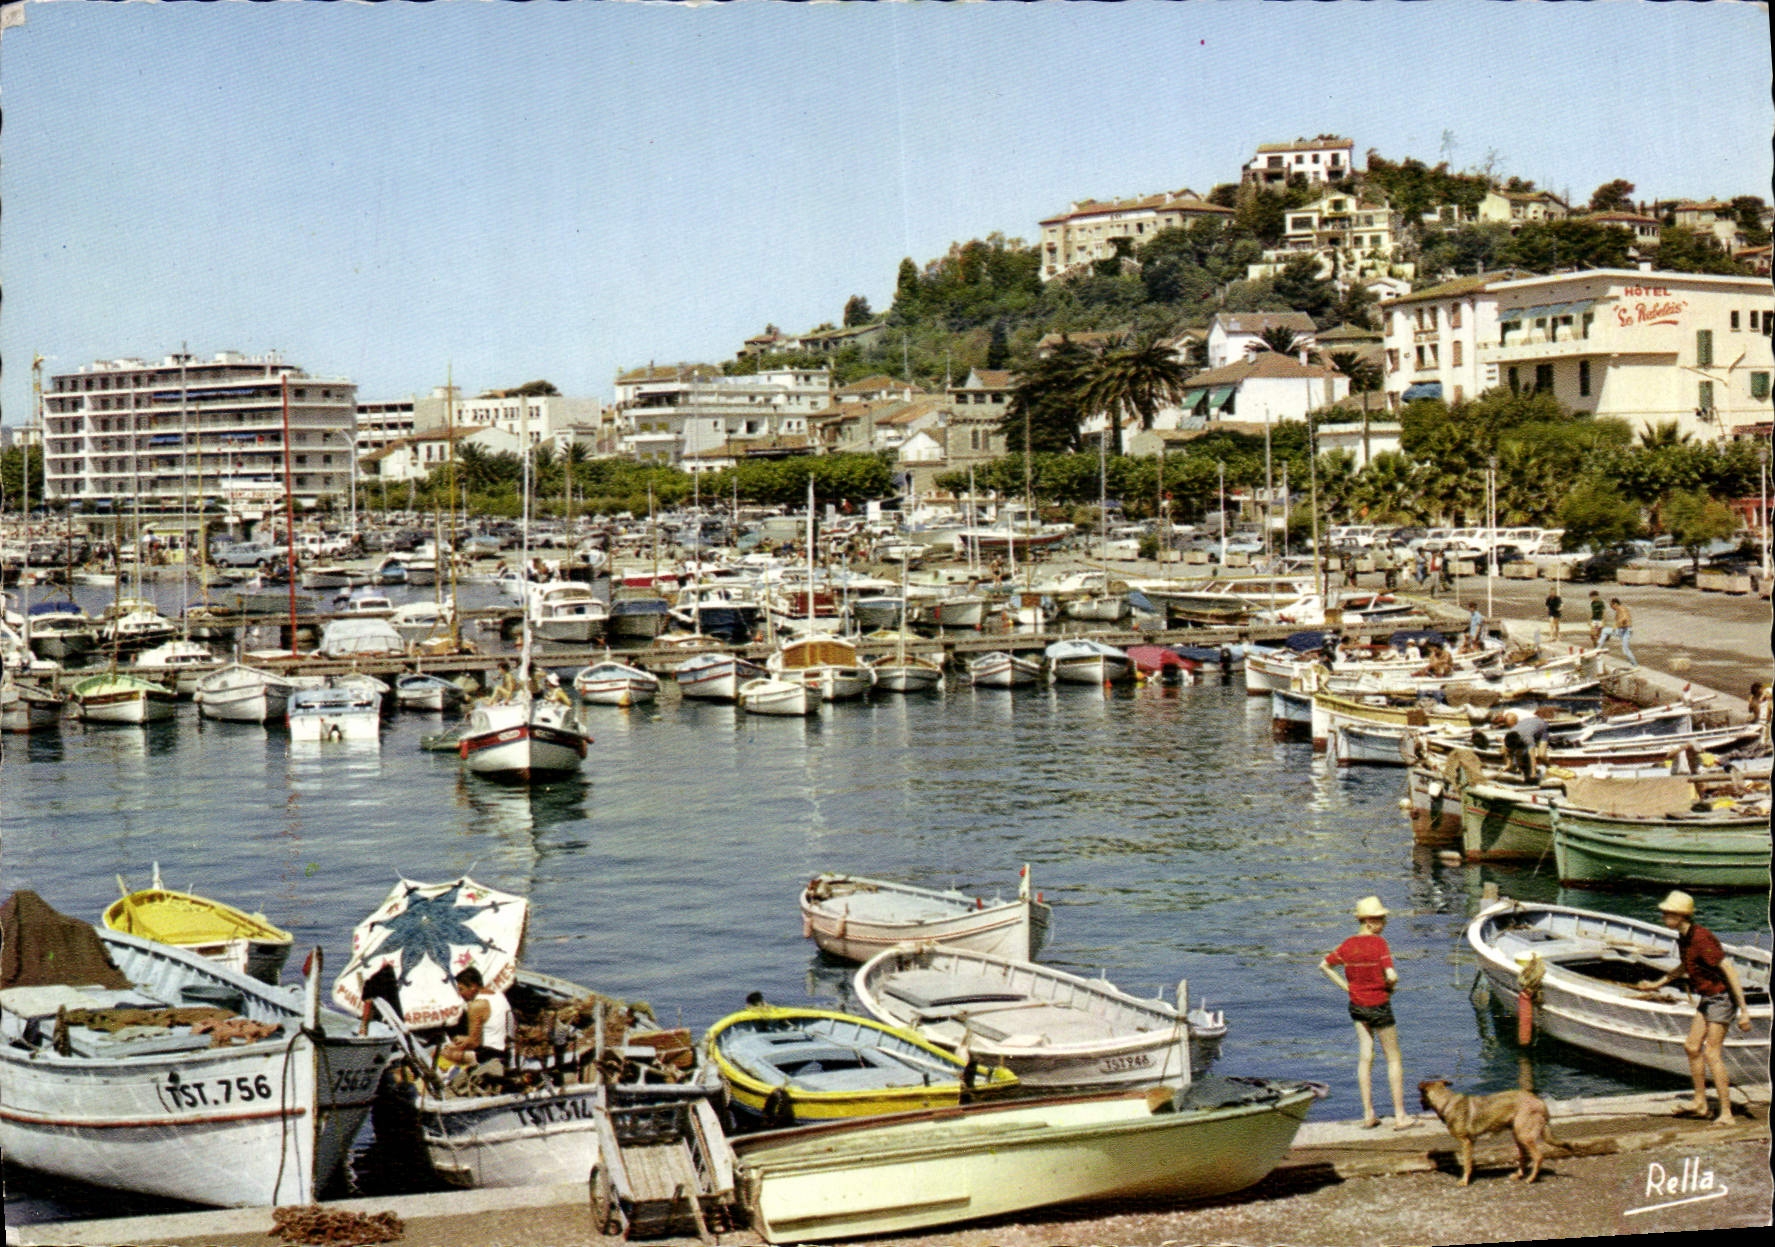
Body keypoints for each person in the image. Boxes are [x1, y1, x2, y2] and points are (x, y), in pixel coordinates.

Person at [1635, 892, 1754, 1125]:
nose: (1663, 916)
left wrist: (1744, 1010)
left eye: (1667, 912)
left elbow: (1728, 968)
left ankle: (1727, 1113)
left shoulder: (1701, 938)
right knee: (1691, 1046)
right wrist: (1657, 983)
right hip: (1707, 997)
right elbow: (1684, 965)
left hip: (1721, 998)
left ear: (1681, 915)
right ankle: (1700, 1103)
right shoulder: (1685, 938)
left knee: (1712, 1053)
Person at [1322, 897, 1408, 1130]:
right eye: (1381, 919)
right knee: (1393, 1058)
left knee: (1365, 1056)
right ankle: (1400, 1116)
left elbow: (1324, 966)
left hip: (1357, 1005)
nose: (1384, 923)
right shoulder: (1379, 944)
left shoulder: (1347, 945)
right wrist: (1390, 987)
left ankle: (1368, 1113)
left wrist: (1348, 988)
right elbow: (1391, 976)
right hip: (1379, 1004)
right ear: (1369, 921)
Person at [440, 967, 514, 1071]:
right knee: (457, 1042)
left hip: (488, 1055)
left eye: (461, 989)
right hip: (505, 1050)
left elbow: (474, 1043)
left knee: (443, 1052)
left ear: (473, 987)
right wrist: (463, 1039)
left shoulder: (475, 1006)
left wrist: (452, 1047)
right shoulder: (498, 994)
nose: (460, 994)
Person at [1498, 709, 1550, 782]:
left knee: (1541, 755)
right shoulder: (1510, 735)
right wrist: (1508, 765)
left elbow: (1532, 756)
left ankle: (1549, 767)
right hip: (1527, 724)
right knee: (1518, 754)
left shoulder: (1527, 738)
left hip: (1541, 726)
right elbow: (1507, 750)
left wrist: (1533, 773)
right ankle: (1519, 768)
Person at [1608, 598, 1637, 666]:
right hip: (1623, 630)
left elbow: (1624, 618)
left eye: (1611, 606)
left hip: (1626, 630)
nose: (1611, 608)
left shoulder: (1622, 609)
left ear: (1615, 604)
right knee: (1625, 649)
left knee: (1625, 650)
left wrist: (1617, 625)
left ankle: (1634, 664)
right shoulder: (1619, 610)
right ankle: (1632, 663)